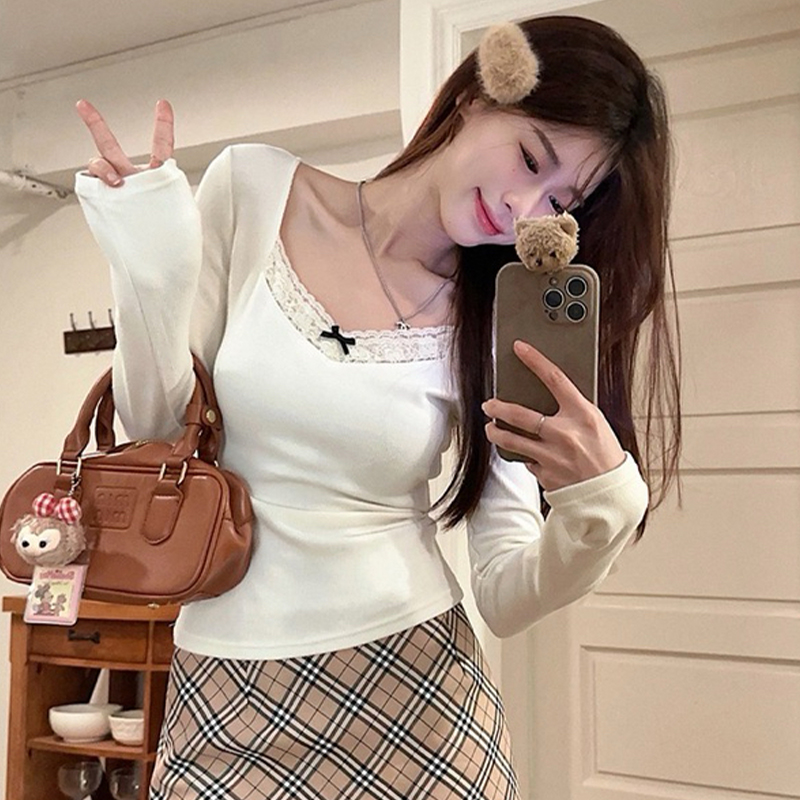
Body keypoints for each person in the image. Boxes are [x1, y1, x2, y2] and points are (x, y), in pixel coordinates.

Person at [74, 14, 679, 800]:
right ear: (478, 95)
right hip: (224, 691)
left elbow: (504, 594)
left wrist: (604, 504)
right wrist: (149, 268)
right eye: (532, 158)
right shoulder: (253, 188)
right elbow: (157, 431)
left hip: (419, 693)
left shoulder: (495, 319)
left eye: (559, 199)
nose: (523, 205)